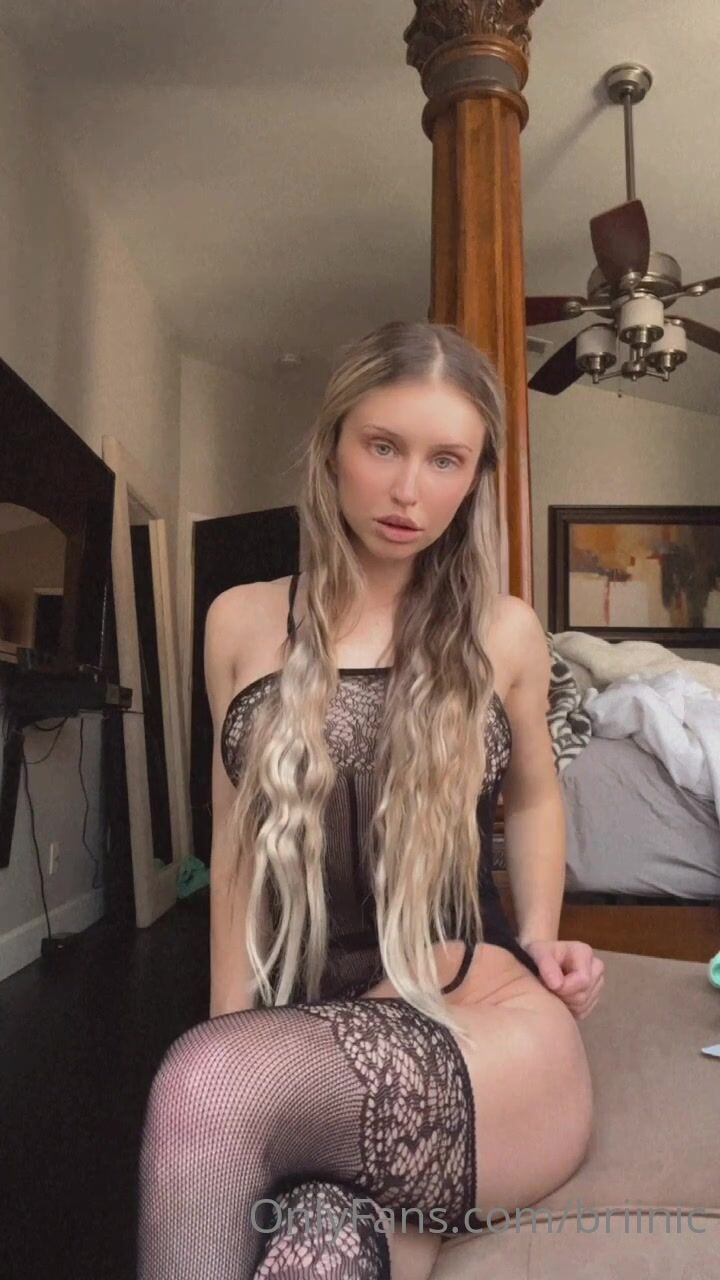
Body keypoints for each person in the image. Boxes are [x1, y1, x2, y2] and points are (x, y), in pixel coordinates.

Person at [137, 321, 605, 1280]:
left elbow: (533, 796)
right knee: (312, 1249)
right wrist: (234, 1022)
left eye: (445, 460)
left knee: (202, 1084)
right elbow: (236, 840)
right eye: (384, 446)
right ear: (333, 447)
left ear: (473, 479)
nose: (408, 491)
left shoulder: (505, 630)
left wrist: (541, 935)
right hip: (304, 1030)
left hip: (475, 1018)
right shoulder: (238, 619)